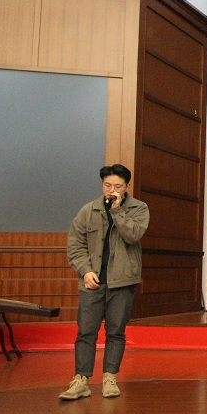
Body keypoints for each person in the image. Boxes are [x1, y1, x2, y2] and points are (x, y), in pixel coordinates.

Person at [59, 164, 150, 400]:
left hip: (122, 281)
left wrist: (117, 211)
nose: (112, 190)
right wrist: (85, 271)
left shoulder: (139, 208)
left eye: (117, 186)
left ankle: (110, 378)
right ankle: (81, 380)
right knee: (85, 331)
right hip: (92, 281)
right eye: (107, 185)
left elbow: (133, 235)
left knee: (115, 331)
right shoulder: (88, 210)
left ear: (126, 186)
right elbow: (75, 245)